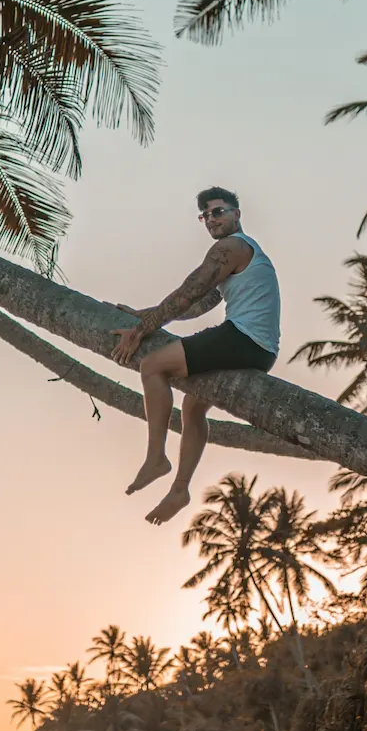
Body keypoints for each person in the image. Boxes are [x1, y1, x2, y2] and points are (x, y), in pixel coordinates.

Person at [110, 186, 281, 525]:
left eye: (218, 211)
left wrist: (141, 330)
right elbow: (202, 303)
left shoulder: (230, 248)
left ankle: (156, 457)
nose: (211, 220)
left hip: (242, 340)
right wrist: (141, 314)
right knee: (193, 404)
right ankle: (180, 489)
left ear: (236, 214)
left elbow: (187, 295)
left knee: (152, 365)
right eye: (205, 216)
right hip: (261, 351)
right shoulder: (245, 255)